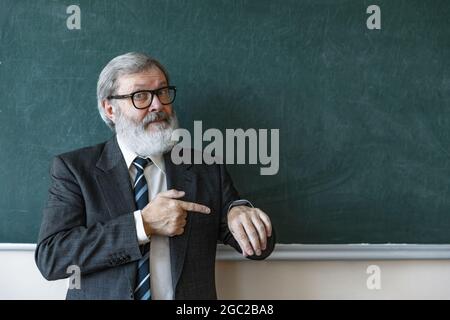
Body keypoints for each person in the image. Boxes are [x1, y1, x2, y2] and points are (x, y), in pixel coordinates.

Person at [35, 52, 275, 300]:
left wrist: (240, 211)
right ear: (110, 109)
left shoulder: (204, 166)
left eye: (162, 92)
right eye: (140, 96)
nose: (158, 105)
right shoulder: (74, 169)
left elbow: (259, 249)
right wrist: (142, 225)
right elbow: (52, 258)